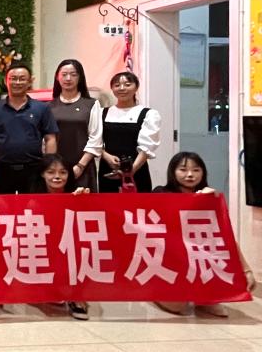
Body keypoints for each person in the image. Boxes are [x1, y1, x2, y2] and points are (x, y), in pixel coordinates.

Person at [153, 152, 256, 317]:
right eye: (183, 169)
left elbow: (224, 236)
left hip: (198, 258)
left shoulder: (210, 197)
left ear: (203, 173)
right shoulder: (160, 193)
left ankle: (204, 297)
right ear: (173, 172)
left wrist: (246, 270)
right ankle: (156, 291)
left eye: (196, 170)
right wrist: (196, 201)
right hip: (170, 258)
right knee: (178, 306)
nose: (190, 174)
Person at [76, 71, 160, 194]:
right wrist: (106, 156)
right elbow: (94, 139)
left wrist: (130, 171)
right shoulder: (102, 112)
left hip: (137, 170)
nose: (122, 88)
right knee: (108, 204)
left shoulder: (149, 114)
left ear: (136, 87)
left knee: (138, 204)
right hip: (108, 170)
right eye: (117, 85)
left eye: (127, 84)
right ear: (112, 89)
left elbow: (147, 148)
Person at [0, 62, 58, 194]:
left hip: (33, 168)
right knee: (2, 205)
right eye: (13, 78)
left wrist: (49, 166)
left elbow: (50, 138)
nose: (17, 82)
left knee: (34, 205)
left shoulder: (42, 108)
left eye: (22, 79)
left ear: (30, 81)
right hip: (2, 169)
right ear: (5, 81)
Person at [36, 153, 91, 321]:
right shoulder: (32, 200)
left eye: (63, 172)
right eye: (51, 172)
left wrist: (85, 201)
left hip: (70, 248)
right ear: (42, 174)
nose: (57, 176)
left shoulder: (77, 195)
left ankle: (76, 297)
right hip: (44, 248)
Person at [48, 59, 97, 191]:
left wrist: (80, 166)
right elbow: (46, 139)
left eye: (73, 74)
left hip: (84, 166)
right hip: (55, 170)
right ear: (57, 77)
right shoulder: (49, 106)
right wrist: (53, 168)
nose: (68, 78)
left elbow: (95, 139)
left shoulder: (91, 104)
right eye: (64, 74)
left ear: (80, 77)